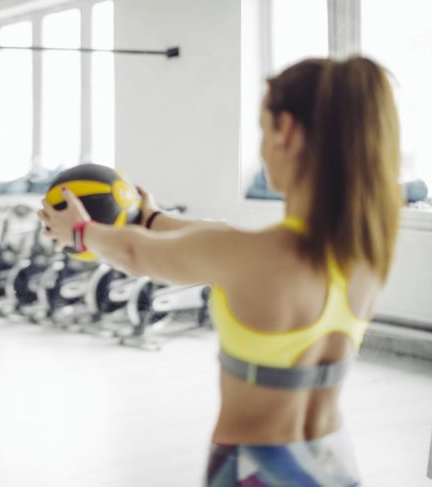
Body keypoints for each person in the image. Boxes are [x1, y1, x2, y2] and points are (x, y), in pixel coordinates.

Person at [39, 56, 401, 486]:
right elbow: (226, 238)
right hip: (332, 463)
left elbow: (138, 255)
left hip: (257, 470)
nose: (262, 146)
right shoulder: (365, 250)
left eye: (262, 129)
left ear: (285, 132)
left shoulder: (248, 255)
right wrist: (152, 218)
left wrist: (81, 233)